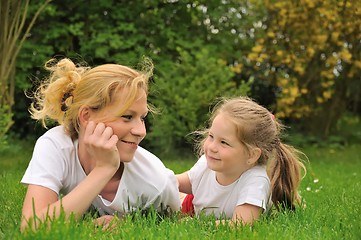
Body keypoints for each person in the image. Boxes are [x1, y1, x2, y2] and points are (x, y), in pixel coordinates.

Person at [20, 57, 181, 231]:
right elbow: (31, 227)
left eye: (142, 118)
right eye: (127, 117)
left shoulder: (156, 181)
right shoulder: (56, 145)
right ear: (86, 116)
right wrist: (104, 169)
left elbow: (176, 223)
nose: (141, 131)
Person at [177, 96, 306, 225]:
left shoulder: (255, 182)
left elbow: (240, 224)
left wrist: (196, 224)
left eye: (224, 142)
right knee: (169, 197)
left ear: (251, 155)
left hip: (198, 212)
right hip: (193, 203)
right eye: (211, 136)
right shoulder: (206, 163)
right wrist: (164, 180)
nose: (211, 147)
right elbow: (182, 182)